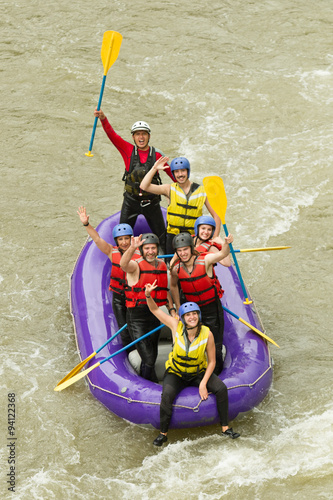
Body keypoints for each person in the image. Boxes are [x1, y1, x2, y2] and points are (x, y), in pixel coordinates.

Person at [144, 285, 240, 446]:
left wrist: (203, 384)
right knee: (167, 395)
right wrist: (148, 296)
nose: (192, 317)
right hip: (176, 372)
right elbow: (155, 310)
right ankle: (163, 433)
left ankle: (225, 428)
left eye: (194, 314)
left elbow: (212, 362)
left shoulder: (207, 333)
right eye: (188, 315)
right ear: (183, 318)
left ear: (199, 316)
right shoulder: (175, 326)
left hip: (198, 372)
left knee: (221, 389)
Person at [93, 109, 175, 253]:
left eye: (144, 133)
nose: (141, 137)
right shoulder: (127, 150)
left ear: (149, 136)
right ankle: (121, 264)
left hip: (152, 203)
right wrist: (103, 119)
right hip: (130, 202)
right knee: (121, 235)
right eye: (138, 134)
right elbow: (112, 135)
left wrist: (186, 191)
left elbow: (174, 176)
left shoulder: (157, 155)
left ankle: (168, 265)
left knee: (163, 237)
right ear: (133, 137)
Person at [169, 231, 233, 375]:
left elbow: (222, 255)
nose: (183, 253)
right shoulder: (176, 268)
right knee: (194, 345)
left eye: (185, 249)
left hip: (211, 308)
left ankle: (217, 375)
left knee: (215, 346)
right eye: (179, 251)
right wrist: (178, 308)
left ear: (191, 248)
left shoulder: (205, 260)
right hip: (192, 312)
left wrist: (227, 244)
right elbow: (173, 286)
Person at [77, 207, 140, 353]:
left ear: (132, 238)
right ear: (116, 241)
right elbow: (97, 239)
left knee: (136, 327)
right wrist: (86, 224)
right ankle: (129, 353)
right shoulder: (112, 251)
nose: (124, 242)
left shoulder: (140, 253)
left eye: (126, 238)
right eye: (120, 239)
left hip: (135, 296)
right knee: (124, 329)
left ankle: (139, 351)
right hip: (119, 297)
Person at [120, 233, 175, 381]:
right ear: (142, 250)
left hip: (154, 315)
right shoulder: (136, 266)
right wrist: (132, 248)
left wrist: (172, 310)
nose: (150, 251)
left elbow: (165, 292)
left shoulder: (162, 265)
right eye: (147, 248)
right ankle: (148, 384)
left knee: (153, 356)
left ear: (157, 249)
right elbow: (123, 265)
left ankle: (149, 381)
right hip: (137, 318)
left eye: (153, 248)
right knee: (149, 358)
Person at [140, 155, 221, 255]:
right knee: (172, 265)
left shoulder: (202, 191)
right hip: (172, 236)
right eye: (177, 172)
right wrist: (154, 168)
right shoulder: (168, 189)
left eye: (183, 171)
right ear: (173, 174)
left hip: (193, 237)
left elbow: (217, 216)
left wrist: (215, 237)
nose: (180, 174)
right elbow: (144, 186)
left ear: (188, 171)